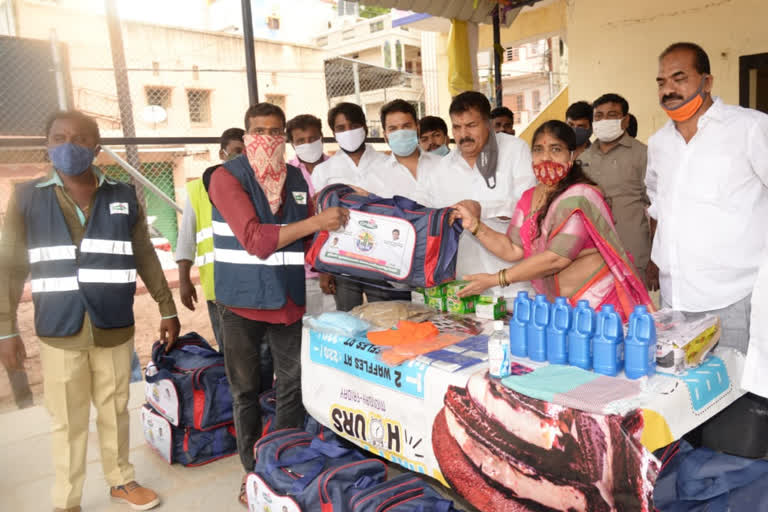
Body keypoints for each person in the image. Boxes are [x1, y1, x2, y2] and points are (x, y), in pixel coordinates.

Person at [0, 110, 180, 512]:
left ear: (96, 148)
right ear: (47, 146)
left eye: (80, 139)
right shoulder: (27, 197)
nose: (69, 145)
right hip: (59, 328)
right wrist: (5, 330)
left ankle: (121, 480)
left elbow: (145, 255)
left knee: (115, 406)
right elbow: (9, 266)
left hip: (113, 324)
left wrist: (166, 307)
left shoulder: (122, 195)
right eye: (59, 137)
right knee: (67, 419)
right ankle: (67, 499)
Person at [204, 103, 349, 506]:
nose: (267, 139)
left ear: (283, 136)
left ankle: (278, 462)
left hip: (285, 299)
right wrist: (319, 223)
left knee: (291, 385)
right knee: (246, 390)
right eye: (258, 131)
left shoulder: (296, 181)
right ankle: (252, 470)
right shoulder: (225, 178)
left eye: (274, 131)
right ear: (246, 135)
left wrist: (354, 223)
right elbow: (256, 239)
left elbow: (304, 240)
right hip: (241, 303)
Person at [452, 120, 653, 320]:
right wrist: (476, 226)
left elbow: (557, 258)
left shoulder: (580, 197)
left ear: (572, 155)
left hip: (597, 305)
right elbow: (513, 248)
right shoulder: (529, 197)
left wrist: (495, 279)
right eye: (538, 150)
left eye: (555, 149)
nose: (545, 157)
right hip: (558, 308)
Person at [646, 42, 768, 352]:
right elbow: (658, 209)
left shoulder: (749, 128)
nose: (668, 89)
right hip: (677, 300)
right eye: (662, 82)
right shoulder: (659, 143)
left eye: (679, 78)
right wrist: (655, 262)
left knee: (743, 395)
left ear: (707, 81)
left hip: (737, 297)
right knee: (689, 393)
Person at [422, 91, 536, 294]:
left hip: (511, 282)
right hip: (464, 284)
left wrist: (480, 209)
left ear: (488, 124)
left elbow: (528, 207)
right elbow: (429, 220)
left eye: (471, 125)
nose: (463, 134)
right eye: (457, 127)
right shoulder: (441, 169)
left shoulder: (514, 150)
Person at [311, 102, 409, 311]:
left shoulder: (388, 164)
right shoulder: (323, 170)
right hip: (343, 262)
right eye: (341, 128)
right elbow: (320, 222)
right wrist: (324, 269)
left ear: (365, 127)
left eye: (353, 126)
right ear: (333, 133)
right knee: (348, 321)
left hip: (382, 259)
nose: (348, 132)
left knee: (387, 318)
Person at [176, 127, 245, 349]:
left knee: (259, 350)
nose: (241, 155)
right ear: (222, 154)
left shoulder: (257, 184)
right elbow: (186, 236)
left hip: (252, 282)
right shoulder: (198, 189)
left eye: (246, 150)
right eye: (236, 150)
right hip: (218, 285)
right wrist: (184, 280)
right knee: (229, 349)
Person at [580, 93, 651, 283]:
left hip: (632, 254)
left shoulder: (643, 154)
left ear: (625, 120)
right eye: (598, 116)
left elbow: (657, 210)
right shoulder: (583, 160)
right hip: (592, 255)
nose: (604, 120)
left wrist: (655, 261)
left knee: (635, 311)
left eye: (612, 115)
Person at [286, 113, 336, 316]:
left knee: (340, 329)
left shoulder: (336, 168)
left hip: (337, 267)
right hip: (302, 271)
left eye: (313, 139)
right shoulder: (286, 175)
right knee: (308, 331)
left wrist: (328, 268)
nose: (308, 144)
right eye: (301, 141)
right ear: (292, 144)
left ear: (322, 137)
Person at [367, 99, 440, 206]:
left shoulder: (441, 164)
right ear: (385, 136)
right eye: (393, 129)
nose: (401, 133)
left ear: (418, 129)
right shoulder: (375, 176)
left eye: (406, 126)